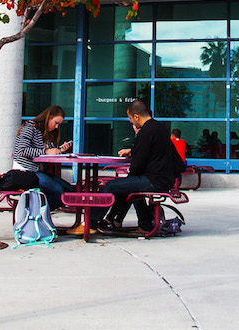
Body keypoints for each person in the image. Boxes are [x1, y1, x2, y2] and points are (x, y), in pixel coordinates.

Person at [94, 99, 183, 232]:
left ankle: (91, 222)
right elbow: (155, 151)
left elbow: (137, 164)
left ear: (136, 116)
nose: (130, 121)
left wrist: (130, 175)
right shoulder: (161, 128)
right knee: (128, 186)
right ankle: (138, 223)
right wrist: (133, 151)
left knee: (111, 186)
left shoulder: (145, 131)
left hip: (154, 180)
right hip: (165, 179)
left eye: (130, 118)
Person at [12, 105, 74, 211]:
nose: (57, 127)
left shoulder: (45, 132)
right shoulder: (30, 127)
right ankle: (33, 213)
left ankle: (40, 212)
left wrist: (59, 151)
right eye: (56, 123)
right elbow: (21, 150)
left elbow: (45, 152)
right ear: (49, 117)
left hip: (38, 171)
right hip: (25, 171)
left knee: (71, 190)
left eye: (59, 124)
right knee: (58, 191)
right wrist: (46, 151)